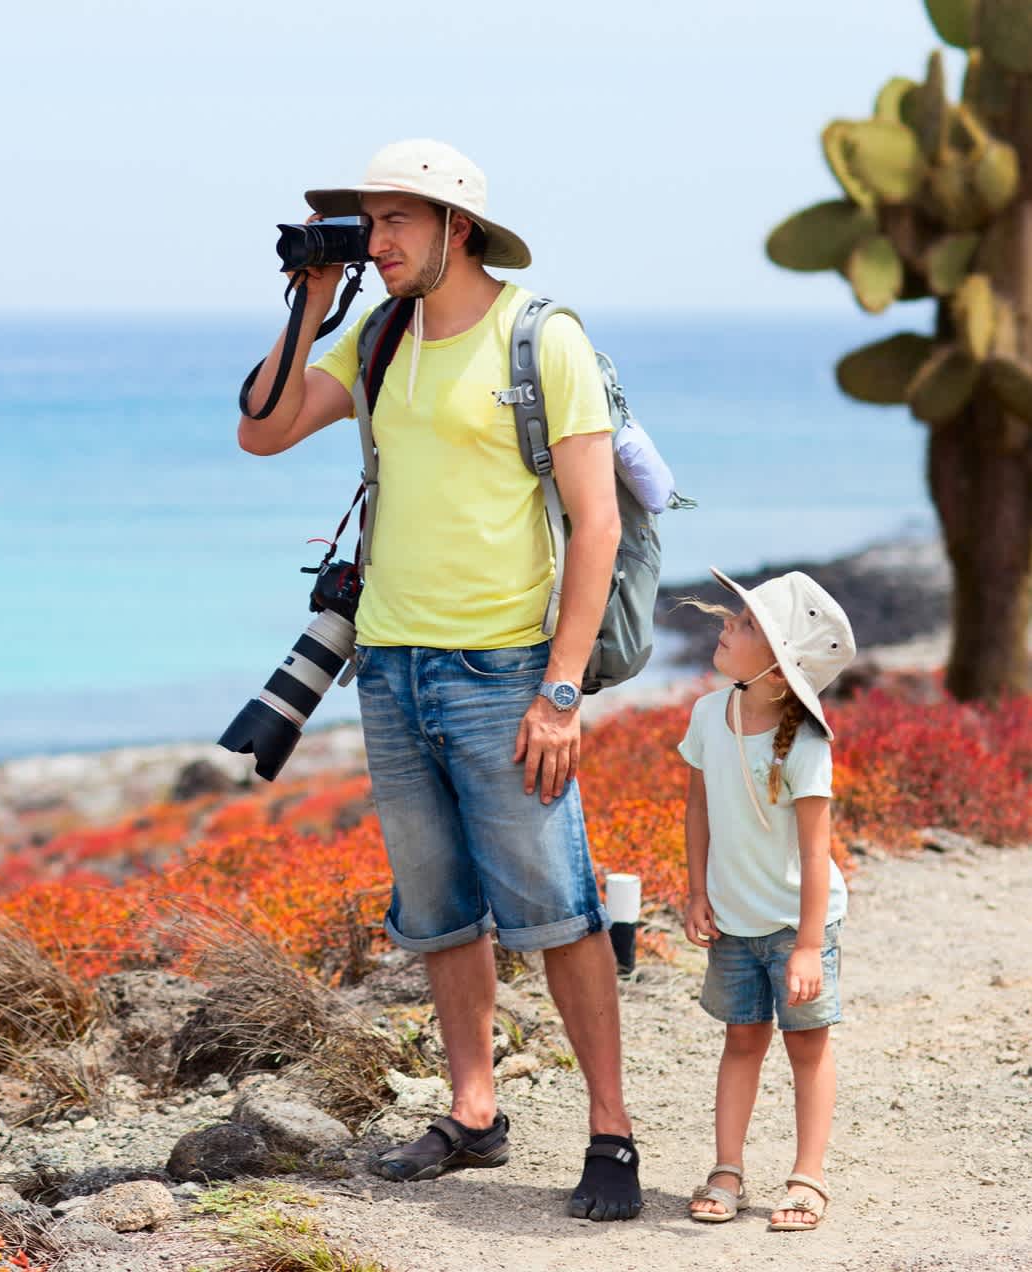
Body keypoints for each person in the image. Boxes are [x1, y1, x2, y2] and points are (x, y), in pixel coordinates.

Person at [237, 140, 641, 1221]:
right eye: (367, 223)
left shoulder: (539, 338)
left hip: (504, 671)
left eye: (397, 222)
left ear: (457, 227)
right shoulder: (374, 334)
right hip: (389, 667)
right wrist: (313, 302)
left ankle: (612, 1132)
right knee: (438, 913)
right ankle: (473, 1115)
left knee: (559, 909)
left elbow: (596, 523)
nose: (379, 241)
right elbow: (260, 431)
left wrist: (560, 691)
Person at [678, 569, 855, 1231]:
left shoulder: (807, 744)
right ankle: (727, 1169)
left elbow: (816, 852)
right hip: (732, 921)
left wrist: (809, 945)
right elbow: (696, 808)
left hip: (795, 926)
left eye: (746, 624)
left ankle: (808, 1178)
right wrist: (696, 892)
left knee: (807, 1047)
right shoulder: (706, 713)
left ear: (779, 673)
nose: (726, 623)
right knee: (742, 1041)